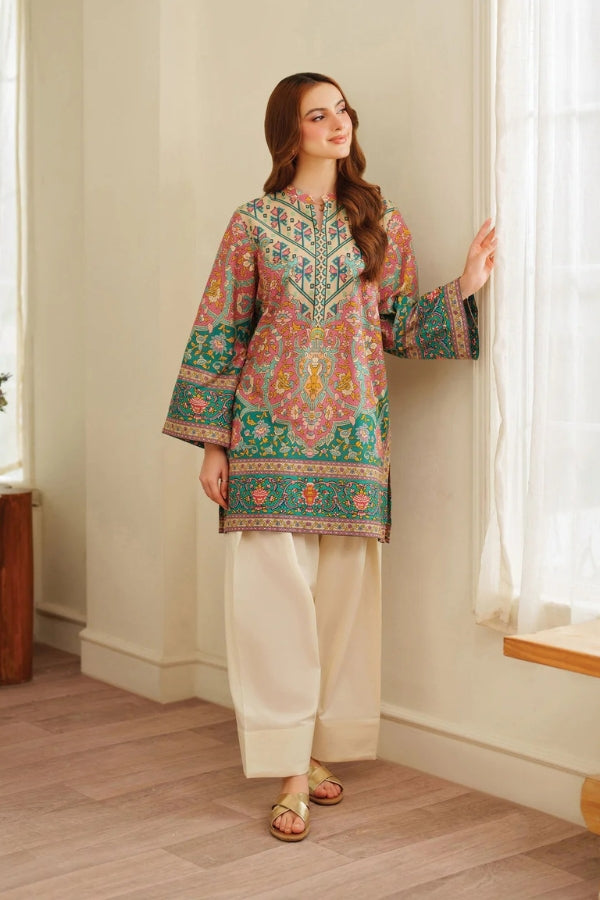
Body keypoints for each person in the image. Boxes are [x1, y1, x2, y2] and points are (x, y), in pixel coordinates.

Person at [163, 72, 495, 842]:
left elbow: (396, 327)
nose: (337, 123)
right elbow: (222, 329)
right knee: (271, 608)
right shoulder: (253, 223)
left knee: (342, 606)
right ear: (291, 132)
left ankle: (314, 750)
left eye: (342, 109)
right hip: (267, 437)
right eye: (319, 114)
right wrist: (213, 444)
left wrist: (465, 288)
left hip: (353, 438)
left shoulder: (380, 222)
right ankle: (287, 773)